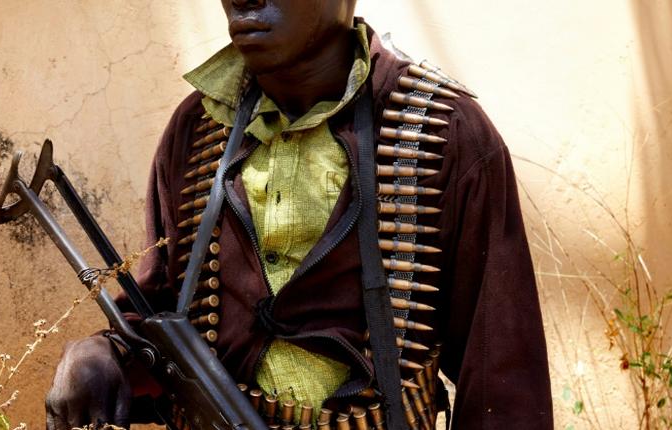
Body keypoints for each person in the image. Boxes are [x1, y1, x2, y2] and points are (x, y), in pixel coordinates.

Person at [45, 0, 553, 429]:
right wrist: (105, 351)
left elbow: (502, 376)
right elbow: (160, 310)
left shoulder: (445, 133)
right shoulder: (197, 127)